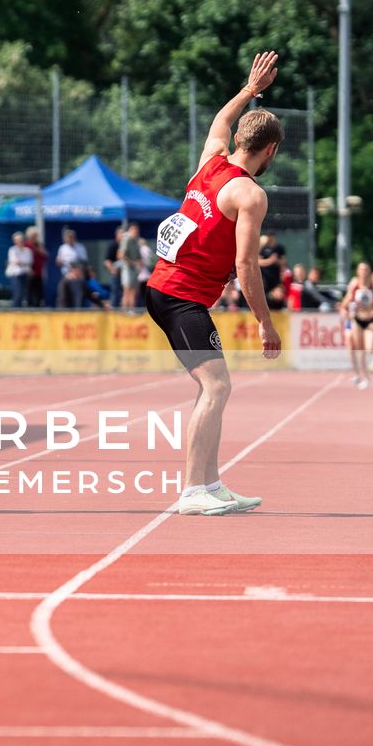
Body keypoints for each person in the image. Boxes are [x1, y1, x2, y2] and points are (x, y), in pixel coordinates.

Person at [145, 52, 283, 517]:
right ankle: (191, 490)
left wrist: (250, 89)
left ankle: (211, 483)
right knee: (217, 387)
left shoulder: (210, 160)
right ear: (271, 151)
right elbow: (246, 265)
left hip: (168, 289)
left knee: (212, 388)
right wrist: (265, 322)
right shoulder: (250, 194)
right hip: (178, 295)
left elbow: (222, 118)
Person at [340, 261, 373, 389]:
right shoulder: (354, 285)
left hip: (366, 320)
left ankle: (364, 371)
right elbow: (344, 305)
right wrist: (348, 313)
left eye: (366, 270)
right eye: (361, 270)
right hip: (353, 320)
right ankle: (358, 374)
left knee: (367, 347)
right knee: (352, 347)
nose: (363, 272)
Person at [4, 230, 36, 307]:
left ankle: (21, 310)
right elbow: (16, 261)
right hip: (15, 274)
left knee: (24, 293)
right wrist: (24, 263)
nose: (19, 242)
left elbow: (30, 262)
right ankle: (15, 309)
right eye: (16, 240)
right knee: (17, 293)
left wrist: (22, 263)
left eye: (20, 240)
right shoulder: (12, 250)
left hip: (25, 274)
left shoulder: (28, 251)